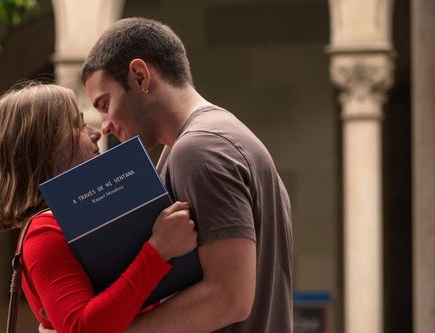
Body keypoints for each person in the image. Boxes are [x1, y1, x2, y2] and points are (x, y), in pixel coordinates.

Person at [80, 17, 294, 332]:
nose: (106, 125)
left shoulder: (199, 149)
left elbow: (229, 298)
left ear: (140, 77)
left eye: (104, 104)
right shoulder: (217, 136)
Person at [0, 83, 198, 333]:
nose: (96, 133)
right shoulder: (43, 231)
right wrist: (159, 249)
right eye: (78, 125)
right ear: (46, 146)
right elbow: (82, 328)